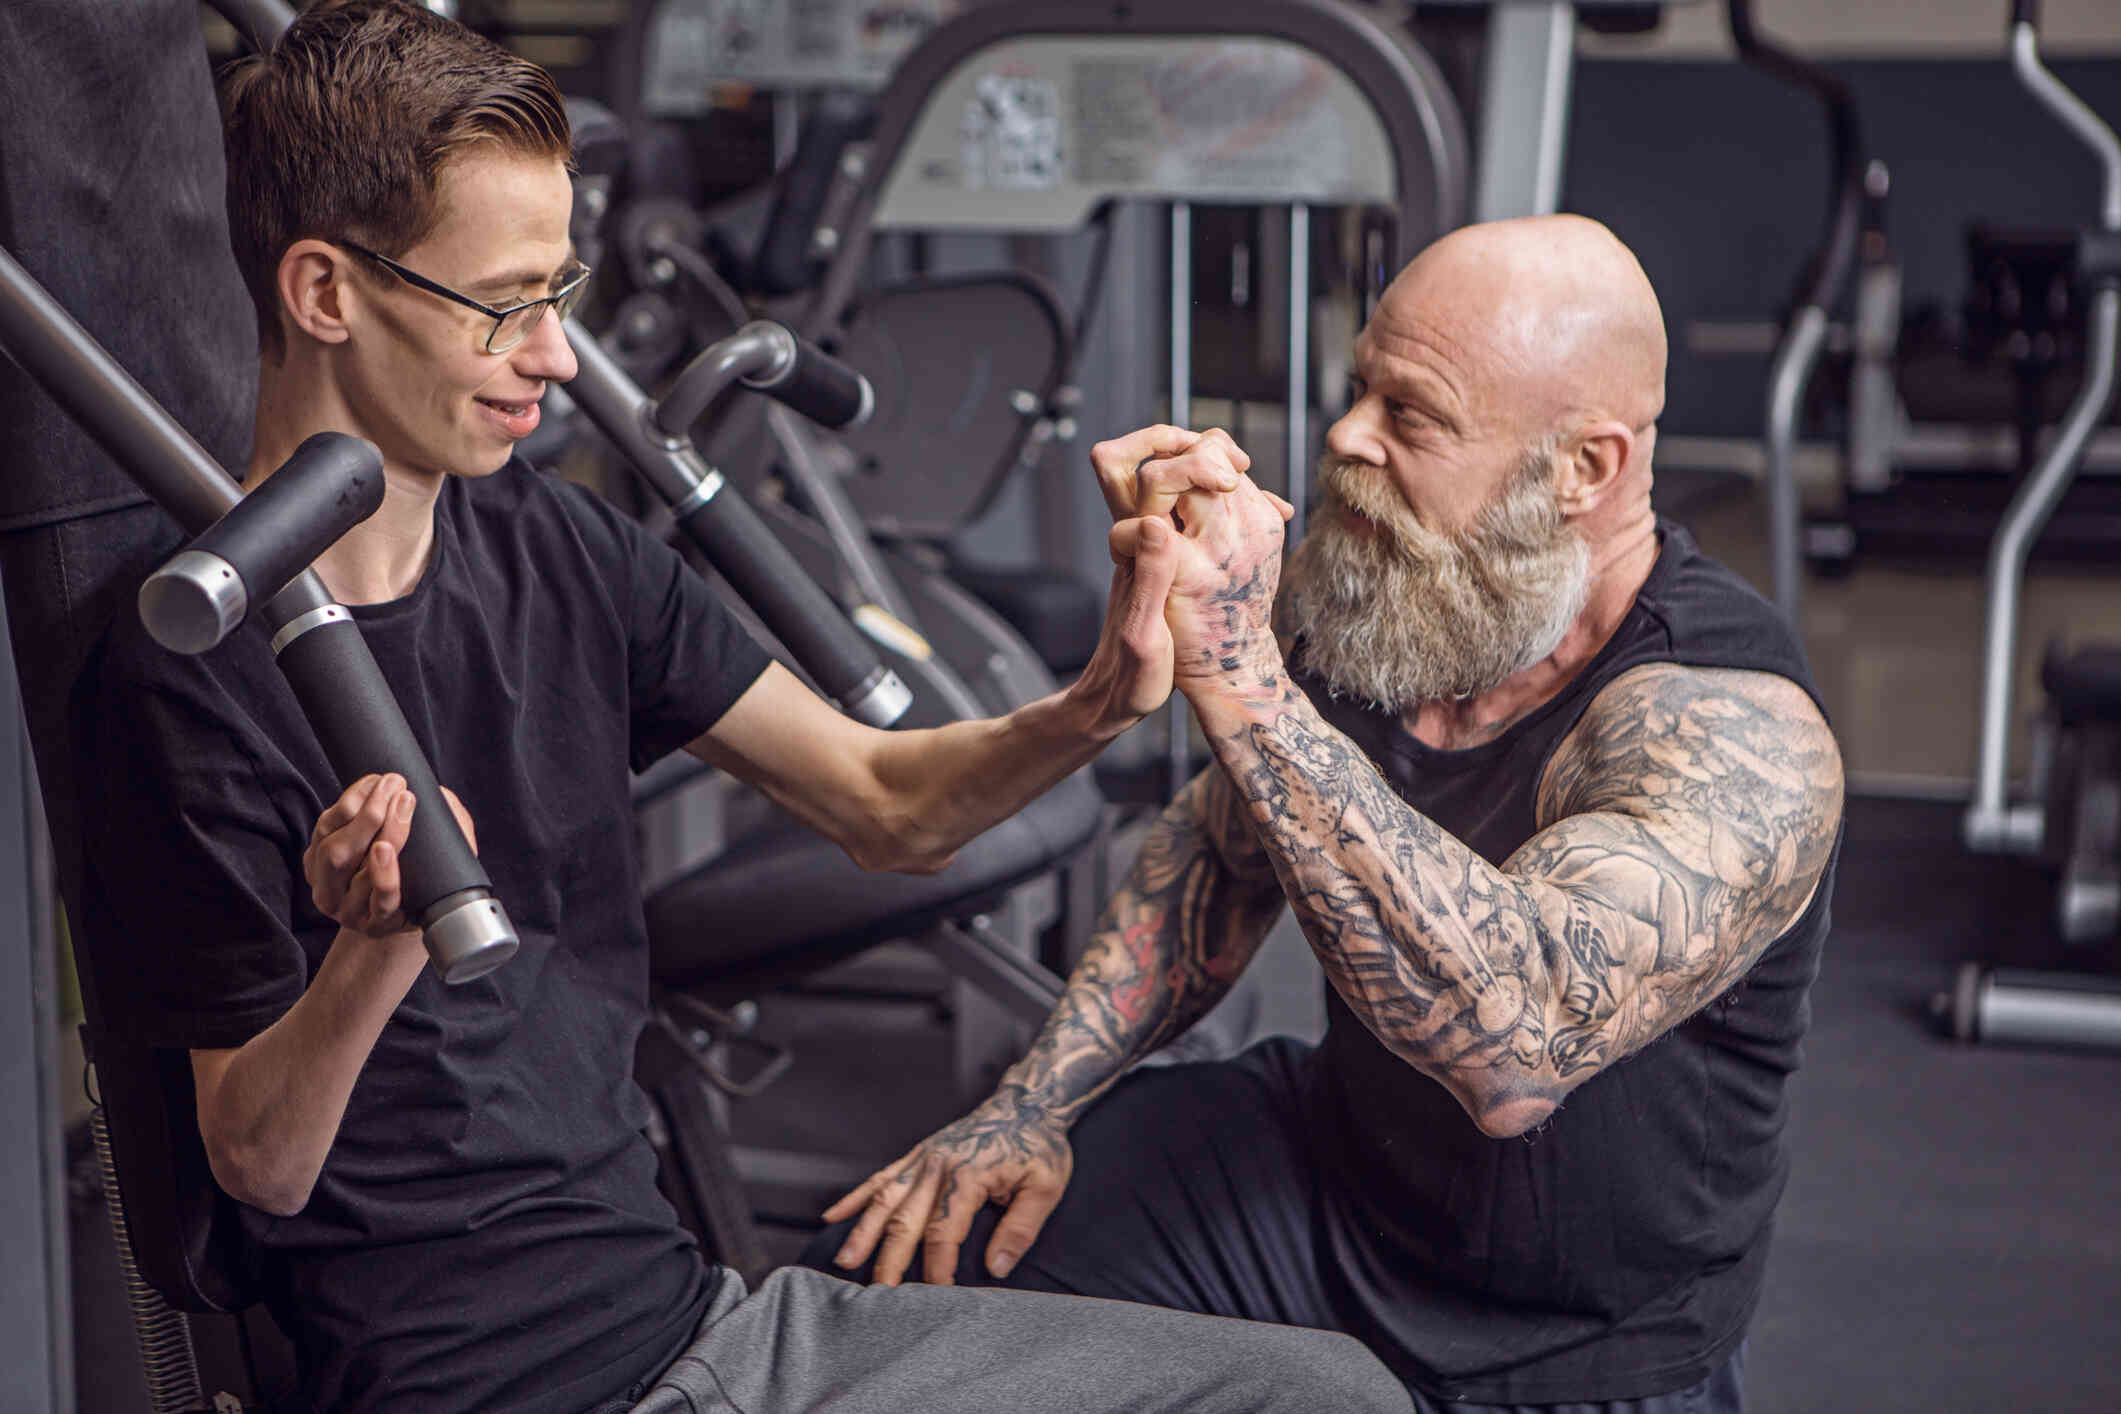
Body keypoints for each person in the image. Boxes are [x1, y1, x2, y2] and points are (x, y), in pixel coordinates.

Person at [69, 3, 1418, 1410]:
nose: (548, 357)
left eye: (559, 296)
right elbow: (258, 1160)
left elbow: (890, 806)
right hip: (469, 1384)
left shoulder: (561, 550)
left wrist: (1097, 699)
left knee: (1325, 1394)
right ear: (325, 293)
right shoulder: (192, 653)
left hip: (699, 1330)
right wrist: (375, 952)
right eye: (504, 305)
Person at [814, 214, 1848, 1414]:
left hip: (1575, 1346)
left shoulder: (1731, 724)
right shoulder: (1398, 601)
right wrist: (1027, 1108)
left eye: (1410, 415)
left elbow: (1512, 1055)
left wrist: (1242, 674)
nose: (1347, 437)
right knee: (902, 1288)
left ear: (1586, 469)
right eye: (1360, 388)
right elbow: (1218, 855)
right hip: (1334, 1188)